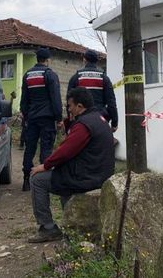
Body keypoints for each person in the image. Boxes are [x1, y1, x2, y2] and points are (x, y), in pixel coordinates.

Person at [27, 87, 116, 243]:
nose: (68, 109)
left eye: (70, 106)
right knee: (62, 180)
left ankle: (47, 228)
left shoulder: (83, 125)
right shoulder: (99, 119)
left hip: (86, 177)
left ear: (79, 106)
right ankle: (71, 225)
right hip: (98, 173)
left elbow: (65, 151)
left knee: (37, 179)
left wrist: (45, 166)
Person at [19, 47, 63, 192]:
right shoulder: (50, 75)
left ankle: (26, 180)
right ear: (48, 60)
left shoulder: (28, 75)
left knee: (29, 149)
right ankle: (43, 182)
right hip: (47, 118)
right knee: (46, 149)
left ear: (37, 59)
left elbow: (24, 100)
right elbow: (55, 99)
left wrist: (25, 116)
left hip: (31, 118)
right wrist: (59, 118)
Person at [67, 49, 118, 132]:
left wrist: (70, 119)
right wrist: (114, 123)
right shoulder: (104, 78)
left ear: (84, 60)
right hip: (100, 119)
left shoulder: (76, 77)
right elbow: (111, 102)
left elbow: (69, 100)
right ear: (96, 61)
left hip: (81, 121)